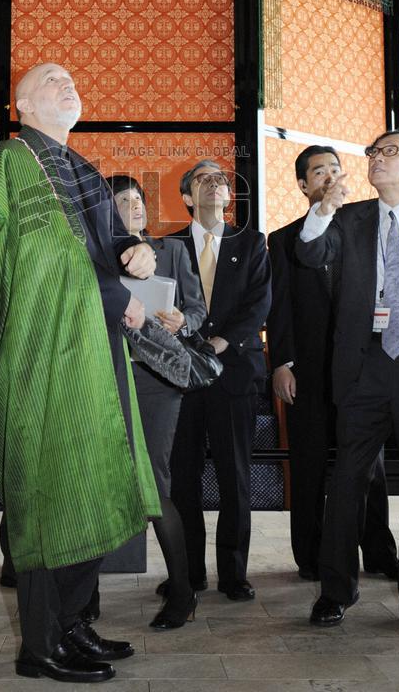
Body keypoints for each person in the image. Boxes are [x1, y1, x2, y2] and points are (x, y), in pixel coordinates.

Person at [0, 63, 161, 684]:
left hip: (94, 351)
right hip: (45, 354)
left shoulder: (83, 172)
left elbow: (108, 255)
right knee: (51, 493)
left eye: (73, 78)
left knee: (96, 479)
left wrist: (141, 254)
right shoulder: (13, 161)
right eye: (52, 79)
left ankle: (75, 623)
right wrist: (115, 293)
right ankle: (41, 644)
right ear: (21, 101)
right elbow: (43, 259)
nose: (68, 84)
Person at [297, 130, 399, 634]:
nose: (376, 158)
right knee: (347, 482)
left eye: (389, 151)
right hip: (364, 364)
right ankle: (335, 591)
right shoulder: (347, 219)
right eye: (372, 152)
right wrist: (323, 209)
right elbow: (309, 255)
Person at [268, 145, 397, 582]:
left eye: (335, 169)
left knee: (370, 466)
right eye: (318, 171)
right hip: (307, 369)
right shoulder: (283, 239)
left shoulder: (367, 230)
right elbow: (280, 306)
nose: (329, 176)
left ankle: (379, 553)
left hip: (361, 370)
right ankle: (310, 557)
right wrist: (282, 363)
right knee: (307, 463)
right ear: (303, 185)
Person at [163, 159, 271, 601]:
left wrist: (223, 342)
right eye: (202, 180)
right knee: (182, 480)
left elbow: (260, 304)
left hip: (234, 374)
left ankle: (233, 574)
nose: (214, 184)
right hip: (180, 377)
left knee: (235, 477)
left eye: (220, 180)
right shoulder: (165, 246)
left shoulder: (252, 244)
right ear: (187, 196)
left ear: (230, 195)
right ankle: (187, 574)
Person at [105, 174, 206, 629]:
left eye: (139, 199)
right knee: (99, 480)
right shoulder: (97, 257)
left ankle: (182, 591)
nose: (136, 206)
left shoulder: (173, 251)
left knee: (155, 482)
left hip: (157, 378)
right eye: (123, 201)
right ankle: (86, 598)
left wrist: (182, 320)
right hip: (104, 374)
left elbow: (200, 310)